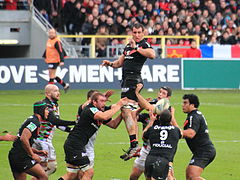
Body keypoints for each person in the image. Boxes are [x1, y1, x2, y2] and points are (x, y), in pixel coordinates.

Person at [102, 23, 156, 160]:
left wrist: (136, 47)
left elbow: (152, 55)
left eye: (139, 32)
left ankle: (134, 145)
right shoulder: (127, 48)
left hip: (134, 80)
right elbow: (119, 63)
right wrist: (110, 64)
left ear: (143, 33)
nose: (137, 35)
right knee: (130, 113)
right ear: (131, 33)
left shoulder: (143, 45)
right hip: (126, 81)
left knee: (126, 110)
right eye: (135, 32)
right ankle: (136, 145)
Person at [58, 93, 129, 180]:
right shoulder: (90, 109)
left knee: (71, 175)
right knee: (89, 172)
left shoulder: (98, 112)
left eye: (105, 101)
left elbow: (113, 124)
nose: (104, 103)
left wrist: (122, 114)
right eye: (102, 101)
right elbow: (105, 116)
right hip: (75, 146)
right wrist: (119, 105)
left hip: (75, 145)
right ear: (94, 102)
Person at [130, 85, 176, 180]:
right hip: (147, 148)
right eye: (160, 91)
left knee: (169, 176)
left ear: (168, 98)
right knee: (134, 176)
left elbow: (149, 107)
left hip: (161, 148)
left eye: (163, 93)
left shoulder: (167, 108)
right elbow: (134, 114)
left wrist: (137, 94)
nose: (160, 94)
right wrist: (140, 108)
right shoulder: (153, 104)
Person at [32, 84, 76, 178]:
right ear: (48, 93)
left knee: (45, 168)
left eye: (58, 90)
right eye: (55, 91)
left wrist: (72, 130)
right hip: (43, 141)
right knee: (49, 168)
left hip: (42, 140)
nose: (58, 93)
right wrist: (75, 122)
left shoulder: (54, 104)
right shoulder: (46, 105)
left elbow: (57, 124)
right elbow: (55, 121)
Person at [176, 94, 216, 180]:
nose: (183, 105)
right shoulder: (194, 115)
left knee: (192, 175)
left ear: (192, 105)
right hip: (201, 151)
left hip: (204, 151)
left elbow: (191, 133)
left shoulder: (194, 116)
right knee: (189, 174)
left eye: (185, 103)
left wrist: (174, 131)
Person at [76, 89, 114, 179]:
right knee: (86, 173)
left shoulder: (98, 111)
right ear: (91, 99)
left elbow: (113, 124)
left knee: (78, 174)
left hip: (88, 145)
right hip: (82, 144)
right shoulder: (85, 109)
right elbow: (85, 106)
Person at [8, 101, 49, 180]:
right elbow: (23, 138)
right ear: (41, 110)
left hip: (15, 154)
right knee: (43, 177)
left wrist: (36, 151)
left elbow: (21, 142)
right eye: (46, 109)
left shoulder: (32, 119)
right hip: (21, 156)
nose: (48, 112)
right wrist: (32, 155)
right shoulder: (34, 122)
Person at [143, 110, 182, 180]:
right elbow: (181, 133)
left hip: (150, 158)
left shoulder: (153, 129)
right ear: (170, 119)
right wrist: (173, 118)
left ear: (159, 119)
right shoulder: (175, 130)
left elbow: (144, 136)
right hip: (164, 160)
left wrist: (151, 121)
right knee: (169, 176)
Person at [43, 28, 70, 93]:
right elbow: (47, 49)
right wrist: (45, 56)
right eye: (50, 33)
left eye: (52, 33)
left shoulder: (57, 41)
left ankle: (50, 91)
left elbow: (60, 51)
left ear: (55, 34)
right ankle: (65, 85)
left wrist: (62, 60)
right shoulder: (49, 40)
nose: (51, 34)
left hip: (55, 60)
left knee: (51, 75)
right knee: (52, 75)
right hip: (50, 60)